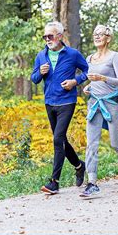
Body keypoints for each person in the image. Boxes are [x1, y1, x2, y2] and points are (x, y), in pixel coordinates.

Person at [31, 21, 89, 195]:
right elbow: (34, 79)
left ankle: (54, 182)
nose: (47, 39)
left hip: (67, 102)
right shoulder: (41, 55)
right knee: (61, 140)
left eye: (50, 36)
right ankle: (79, 166)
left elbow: (88, 70)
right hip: (50, 102)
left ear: (60, 36)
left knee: (57, 139)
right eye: (45, 36)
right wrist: (40, 72)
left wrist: (75, 81)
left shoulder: (73, 54)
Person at [80, 25, 118, 197]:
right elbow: (92, 80)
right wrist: (88, 87)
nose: (96, 37)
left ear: (108, 38)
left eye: (100, 34)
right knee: (91, 144)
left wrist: (103, 78)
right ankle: (91, 182)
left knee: (116, 143)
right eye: (95, 34)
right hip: (94, 104)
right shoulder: (89, 58)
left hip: (112, 104)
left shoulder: (114, 56)